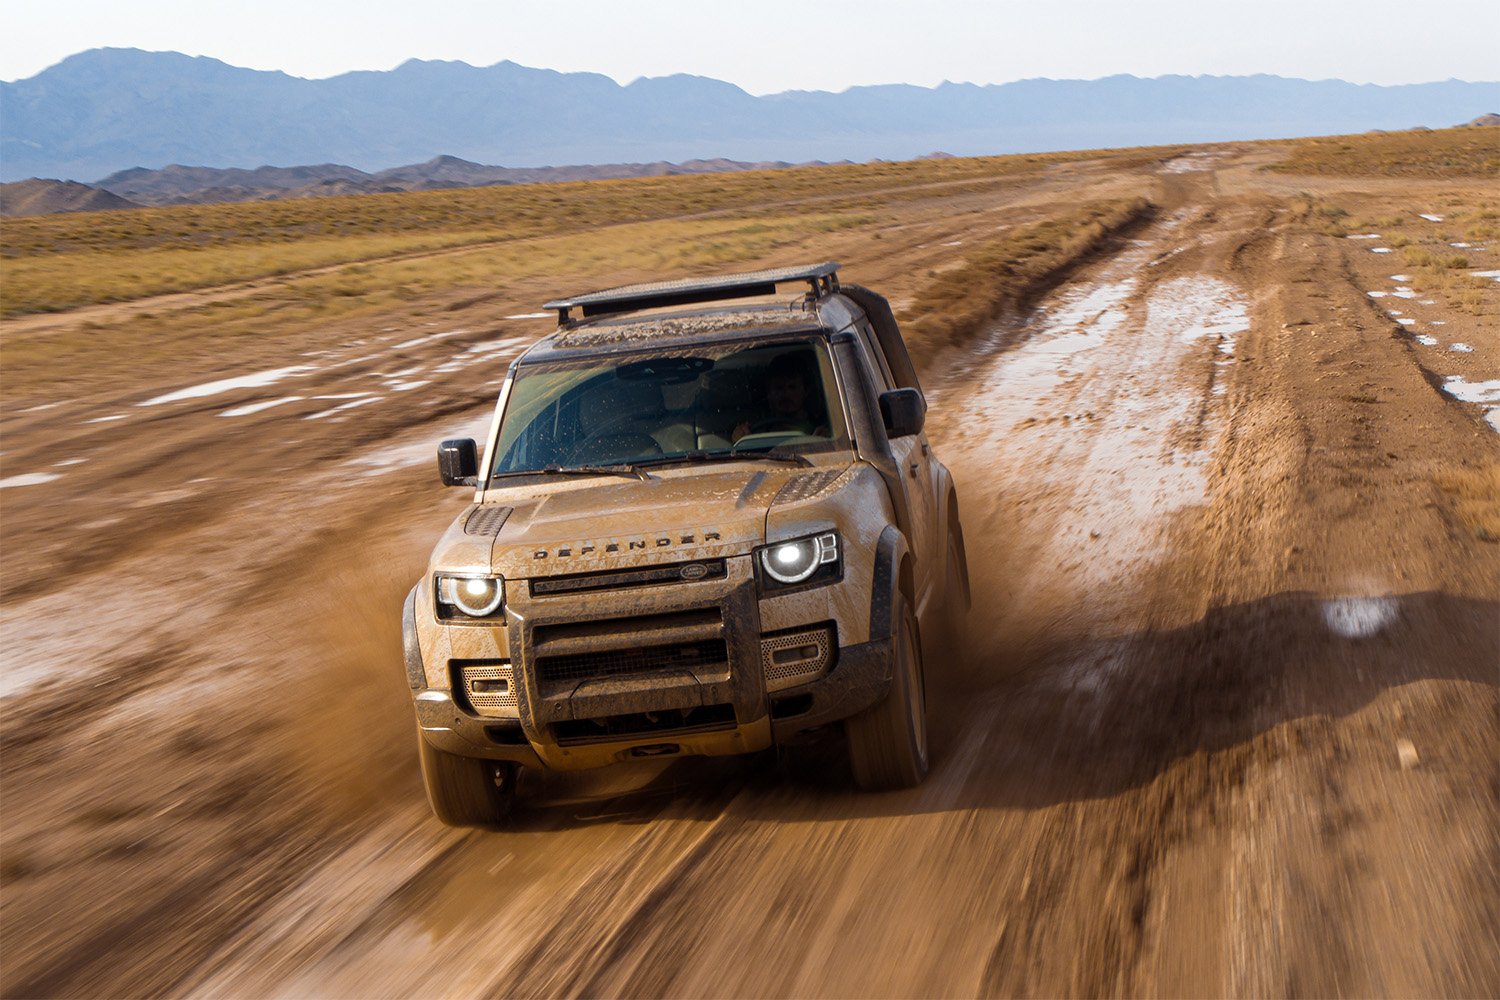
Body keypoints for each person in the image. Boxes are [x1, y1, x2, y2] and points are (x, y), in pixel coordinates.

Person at [732, 353, 825, 443]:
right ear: (769, 393)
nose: (786, 393)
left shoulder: (822, 428)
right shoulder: (756, 432)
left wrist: (822, 442)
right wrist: (741, 440)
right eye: (779, 388)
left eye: (792, 387)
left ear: (806, 390)